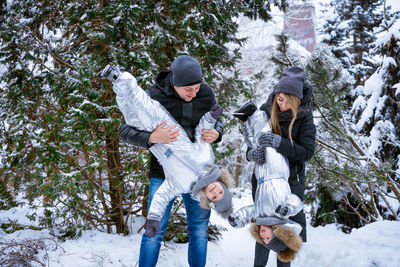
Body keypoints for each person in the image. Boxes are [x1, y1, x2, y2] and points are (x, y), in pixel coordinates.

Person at [100, 55, 225, 267]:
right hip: (163, 173)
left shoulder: (205, 92)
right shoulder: (155, 95)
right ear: (176, 83)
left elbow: (217, 120)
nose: (194, 94)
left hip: (201, 178)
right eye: (189, 90)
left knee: (199, 230)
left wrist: (217, 133)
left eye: (197, 88)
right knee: (154, 230)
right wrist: (152, 138)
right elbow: (125, 132)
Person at [242, 66, 316, 267]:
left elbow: (307, 152)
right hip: (264, 178)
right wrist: (251, 154)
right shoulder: (266, 111)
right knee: (264, 225)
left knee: (284, 231)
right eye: (278, 99)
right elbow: (250, 140)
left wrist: (279, 143)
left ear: (296, 100)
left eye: (286, 101)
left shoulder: (305, 117)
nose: (281, 104)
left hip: (291, 180)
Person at [228, 102, 304, 262]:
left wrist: (237, 219)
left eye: (264, 241)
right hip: (277, 171)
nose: (263, 237)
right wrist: (287, 208)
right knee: (265, 142)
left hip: (261, 175)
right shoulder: (281, 215)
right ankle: (256, 113)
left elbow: (250, 212)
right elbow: (296, 202)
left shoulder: (260, 216)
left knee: (255, 146)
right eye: (269, 239)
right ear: (277, 234)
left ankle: (246, 120)